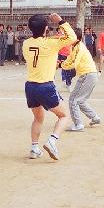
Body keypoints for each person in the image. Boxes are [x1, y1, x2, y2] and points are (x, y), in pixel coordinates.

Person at [23, 12, 75, 160]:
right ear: (46, 28)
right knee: (64, 115)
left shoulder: (26, 44)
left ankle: (34, 148)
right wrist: (61, 21)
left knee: (38, 118)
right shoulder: (51, 43)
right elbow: (72, 38)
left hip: (30, 87)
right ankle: (52, 141)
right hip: (45, 86)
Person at [61, 27, 101, 131]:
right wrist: (60, 63)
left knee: (73, 100)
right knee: (81, 100)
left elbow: (73, 63)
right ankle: (95, 118)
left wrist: (61, 65)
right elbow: (70, 59)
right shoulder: (75, 47)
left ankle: (78, 125)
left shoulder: (79, 47)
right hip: (90, 75)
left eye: (69, 36)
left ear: (75, 37)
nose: (67, 37)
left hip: (87, 75)